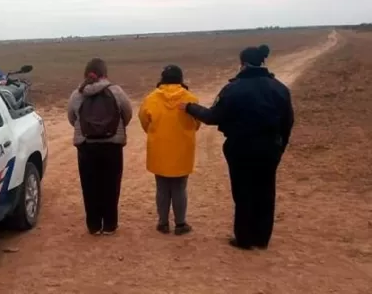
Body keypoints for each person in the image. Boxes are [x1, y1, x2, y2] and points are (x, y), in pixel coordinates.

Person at [181, 44, 294, 250]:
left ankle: (244, 238)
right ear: (262, 62)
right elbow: (288, 122)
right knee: (266, 191)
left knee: (243, 192)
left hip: (240, 147)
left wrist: (190, 107)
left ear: (242, 64)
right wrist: (280, 148)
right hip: (269, 148)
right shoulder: (280, 88)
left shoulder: (232, 89)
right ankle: (261, 238)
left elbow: (213, 117)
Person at [67, 58, 133, 235]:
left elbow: (72, 118)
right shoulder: (116, 91)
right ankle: (110, 224)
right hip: (112, 145)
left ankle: (94, 225)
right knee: (111, 185)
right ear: (105, 73)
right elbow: (127, 114)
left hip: (86, 146)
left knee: (89, 186)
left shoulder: (77, 94)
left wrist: (85, 130)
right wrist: (116, 128)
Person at [139, 65, 200, 235]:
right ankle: (180, 224)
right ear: (181, 79)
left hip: (159, 150)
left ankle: (163, 223)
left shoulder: (150, 99)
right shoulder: (190, 98)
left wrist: (154, 133)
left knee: (162, 187)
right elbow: (197, 123)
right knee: (180, 188)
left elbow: (144, 121)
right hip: (182, 151)